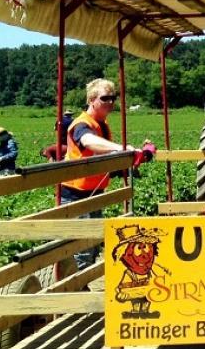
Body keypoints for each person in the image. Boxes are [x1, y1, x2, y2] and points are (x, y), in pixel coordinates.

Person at [61, 79, 150, 270]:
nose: (110, 102)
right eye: (105, 98)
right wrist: (120, 148)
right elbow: (88, 141)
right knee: (82, 247)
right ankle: (77, 284)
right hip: (75, 194)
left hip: (94, 192)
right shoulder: (82, 124)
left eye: (113, 98)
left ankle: (82, 281)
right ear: (91, 100)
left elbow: (100, 156)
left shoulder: (101, 124)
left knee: (92, 245)